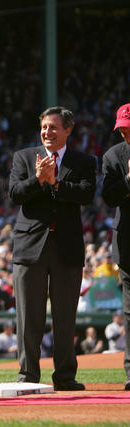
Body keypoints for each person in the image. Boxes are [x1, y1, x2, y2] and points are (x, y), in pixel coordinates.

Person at [9, 106, 96, 390]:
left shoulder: (83, 161)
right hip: (29, 246)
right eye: (44, 127)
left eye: (54, 127)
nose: (47, 132)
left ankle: (65, 376)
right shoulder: (23, 157)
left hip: (67, 248)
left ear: (68, 130)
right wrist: (38, 179)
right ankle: (28, 376)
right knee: (28, 316)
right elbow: (15, 194)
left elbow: (87, 194)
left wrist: (56, 184)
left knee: (65, 315)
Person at [101, 103, 130, 391]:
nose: (124, 133)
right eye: (121, 128)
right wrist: (129, 180)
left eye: (128, 128)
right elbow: (108, 197)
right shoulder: (113, 156)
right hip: (128, 241)